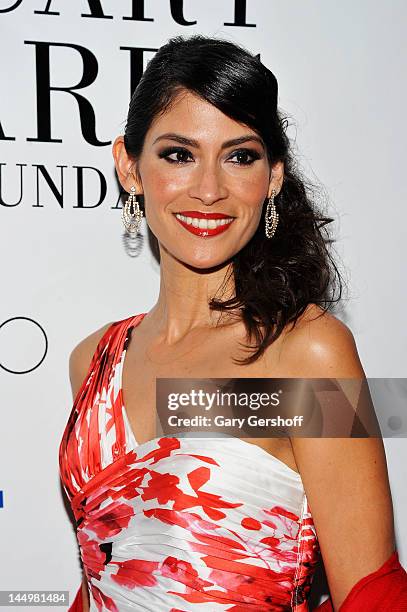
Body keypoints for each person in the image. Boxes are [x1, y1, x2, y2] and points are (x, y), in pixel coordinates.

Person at [59, 34, 406, 611]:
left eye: (240, 156)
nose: (209, 189)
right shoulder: (94, 359)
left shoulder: (309, 353)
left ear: (272, 177)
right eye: (178, 154)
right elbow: (110, 570)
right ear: (129, 166)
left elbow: (371, 593)